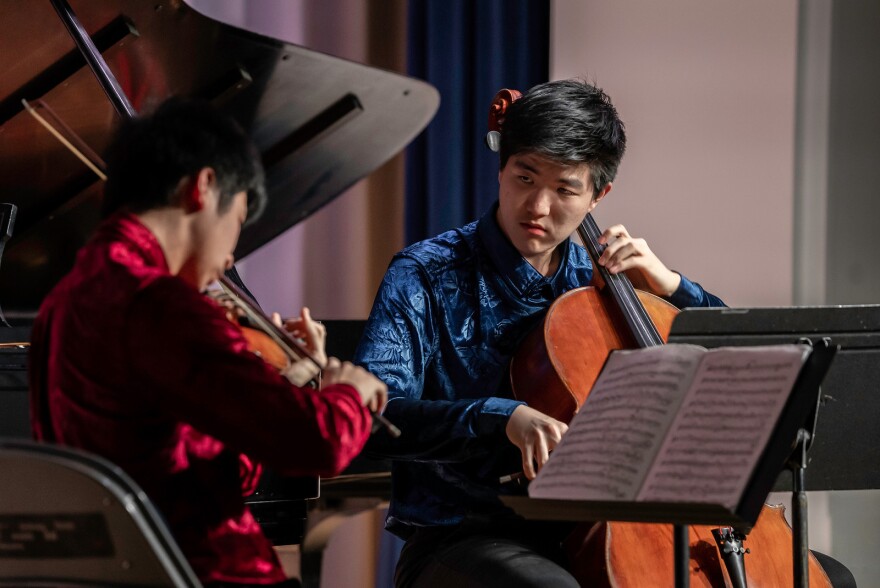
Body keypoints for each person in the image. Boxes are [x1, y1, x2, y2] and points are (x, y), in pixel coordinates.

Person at [354, 79, 726, 587]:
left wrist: (673, 286)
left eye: (565, 189)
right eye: (525, 177)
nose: (538, 206)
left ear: (599, 195)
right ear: (501, 167)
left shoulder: (607, 279)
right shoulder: (424, 273)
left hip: (608, 530)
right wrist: (497, 416)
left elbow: (733, 368)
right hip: (466, 535)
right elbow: (376, 417)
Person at [29, 97, 387, 587]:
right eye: (237, 219)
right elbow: (317, 443)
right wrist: (348, 392)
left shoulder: (61, 302)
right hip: (201, 569)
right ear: (203, 187)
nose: (231, 250)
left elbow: (201, 463)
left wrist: (287, 377)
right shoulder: (162, 304)